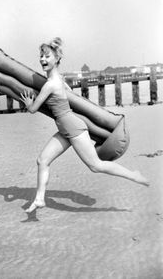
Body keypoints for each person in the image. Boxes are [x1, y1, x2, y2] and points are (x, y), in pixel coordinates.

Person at [20, 37, 149, 213]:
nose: (42, 60)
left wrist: (28, 103)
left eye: (47, 56)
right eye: (41, 56)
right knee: (42, 160)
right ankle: (40, 199)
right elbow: (71, 95)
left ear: (56, 58)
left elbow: (34, 109)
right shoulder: (59, 79)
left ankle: (134, 175)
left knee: (96, 166)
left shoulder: (51, 84)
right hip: (65, 129)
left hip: (73, 128)